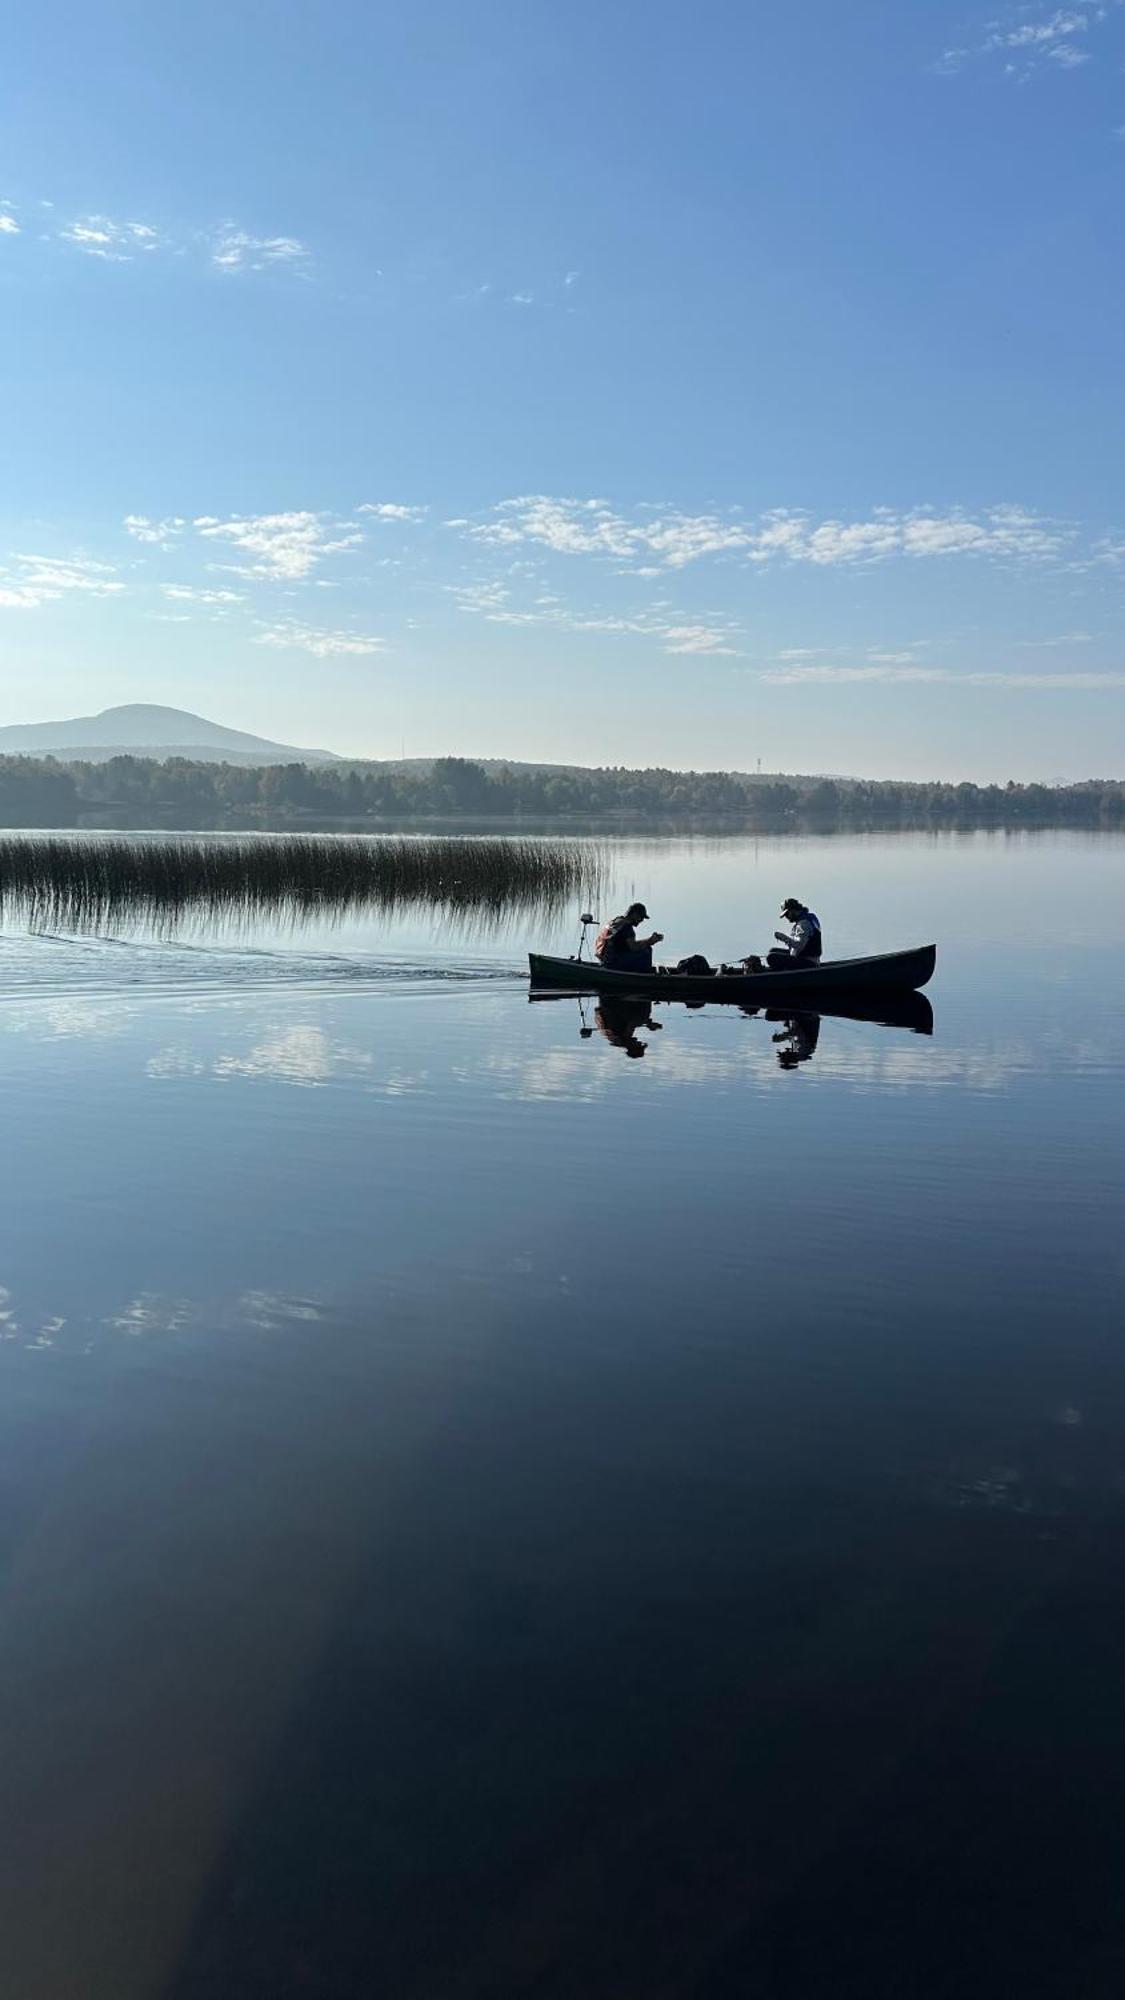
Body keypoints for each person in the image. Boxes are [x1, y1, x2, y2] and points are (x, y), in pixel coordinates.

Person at [594, 902, 664, 973]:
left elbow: (630, 945)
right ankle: (644, 976)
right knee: (646, 951)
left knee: (644, 949)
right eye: (641, 917)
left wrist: (649, 940)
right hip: (613, 963)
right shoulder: (627, 927)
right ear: (634, 914)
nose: (642, 920)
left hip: (604, 960)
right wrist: (649, 942)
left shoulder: (615, 921)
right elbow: (634, 947)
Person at [766, 897, 822, 970]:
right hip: (807, 958)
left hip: (808, 962)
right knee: (772, 950)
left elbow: (799, 945)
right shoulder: (809, 918)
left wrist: (783, 937)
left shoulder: (803, 924)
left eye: (787, 914)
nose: (786, 917)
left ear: (793, 910)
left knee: (771, 957)